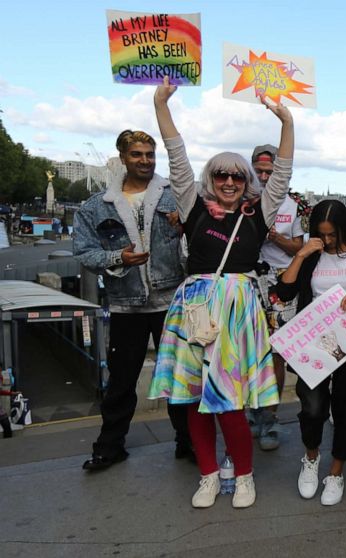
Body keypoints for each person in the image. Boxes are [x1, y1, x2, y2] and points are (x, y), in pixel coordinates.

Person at [146, 76, 294, 509]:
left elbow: (281, 174)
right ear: (211, 179)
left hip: (239, 311)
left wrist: (286, 121)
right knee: (193, 400)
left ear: (246, 181)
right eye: (221, 174)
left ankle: (243, 476)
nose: (229, 181)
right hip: (195, 310)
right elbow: (177, 157)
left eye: (237, 175)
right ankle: (209, 475)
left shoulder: (257, 213)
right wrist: (161, 104)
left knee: (229, 401)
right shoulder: (192, 205)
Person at [75, 129, 190, 471]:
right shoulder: (95, 207)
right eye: (137, 154)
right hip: (126, 304)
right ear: (122, 157)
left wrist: (185, 225)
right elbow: (83, 251)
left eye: (150, 154)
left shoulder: (178, 198)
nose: (145, 161)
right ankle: (109, 448)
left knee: (180, 379)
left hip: (171, 301)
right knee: (121, 382)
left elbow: (204, 238)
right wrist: (117, 259)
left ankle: (188, 442)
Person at [271, 200, 346, 506]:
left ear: (344, 229)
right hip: (313, 341)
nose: (328, 240)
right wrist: (302, 254)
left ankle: (336, 470)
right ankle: (311, 457)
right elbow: (283, 293)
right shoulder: (312, 256)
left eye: (333, 234)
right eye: (322, 234)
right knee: (313, 407)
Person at [248, 143, 306, 452]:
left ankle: (270, 417)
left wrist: (275, 237)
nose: (264, 176)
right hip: (248, 282)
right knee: (249, 351)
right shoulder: (242, 202)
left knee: (277, 353)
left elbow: (299, 247)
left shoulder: (291, 205)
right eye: (259, 171)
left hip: (282, 284)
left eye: (269, 172)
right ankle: (253, 410)